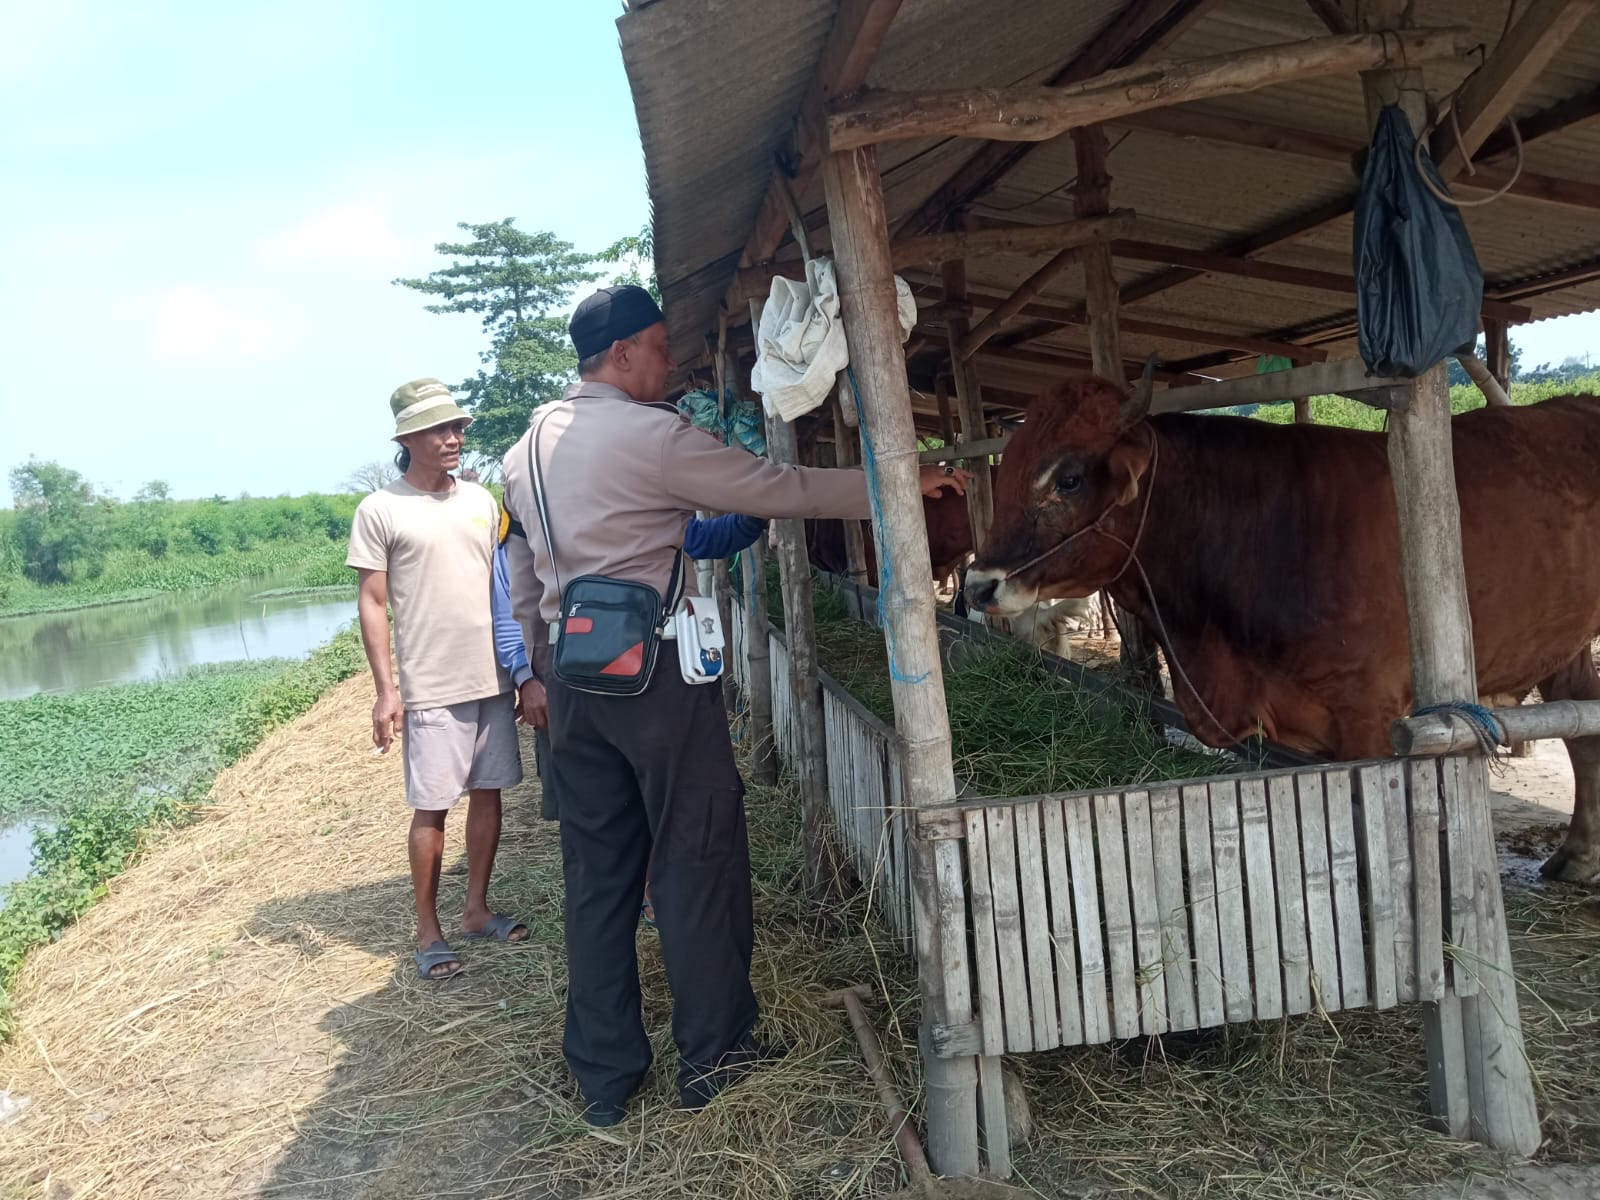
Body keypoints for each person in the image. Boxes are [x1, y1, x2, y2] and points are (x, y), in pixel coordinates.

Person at [500, 284, 970, 1125]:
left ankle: (604, 1074)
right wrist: (894, 485)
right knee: (696, 857)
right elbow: (774, 488)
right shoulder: (649, 438)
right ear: (622, 356)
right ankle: (716, 1055)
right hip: (654, 678)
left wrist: (540, 665)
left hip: (572, 681)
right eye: (655, 346)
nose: (668, 361)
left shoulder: (525, 447)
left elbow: (529, 574)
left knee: (597, 877)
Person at [494, 503, 770, 929]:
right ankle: (634, 897)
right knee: (603, 810)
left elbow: (703, 539)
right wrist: (531, 673)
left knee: (641, 797)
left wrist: (756, 512)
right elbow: (521, 595)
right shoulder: (540, 507)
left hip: (629, 674)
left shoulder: (632, 500)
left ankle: (647, 892)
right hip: (585, 675)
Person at [347, 378, 529, 983]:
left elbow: (505, 588)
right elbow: (373, 602)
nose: (453, 439)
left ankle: (476, 908)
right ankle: (428, 930)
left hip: (491, 678)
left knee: (490, 791)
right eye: (439, 431)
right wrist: (385, 690)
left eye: (457, 429)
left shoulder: (482, 502)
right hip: (430, 683)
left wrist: (522, 669)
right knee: (431, 809)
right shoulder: (381, 509)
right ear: (407, 439)